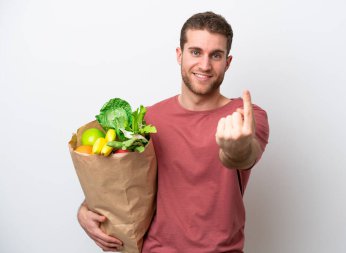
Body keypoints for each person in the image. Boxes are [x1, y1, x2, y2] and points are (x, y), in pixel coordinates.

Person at [77, 11, 269, 252]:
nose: (205, 65)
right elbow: (123, 178)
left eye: (216, 55)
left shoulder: (245, 117)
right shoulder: (146, 120)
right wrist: (85, 209)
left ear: (227, 62)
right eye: (196, 52)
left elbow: (245, 155)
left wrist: (236, 150)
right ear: (180, 55)